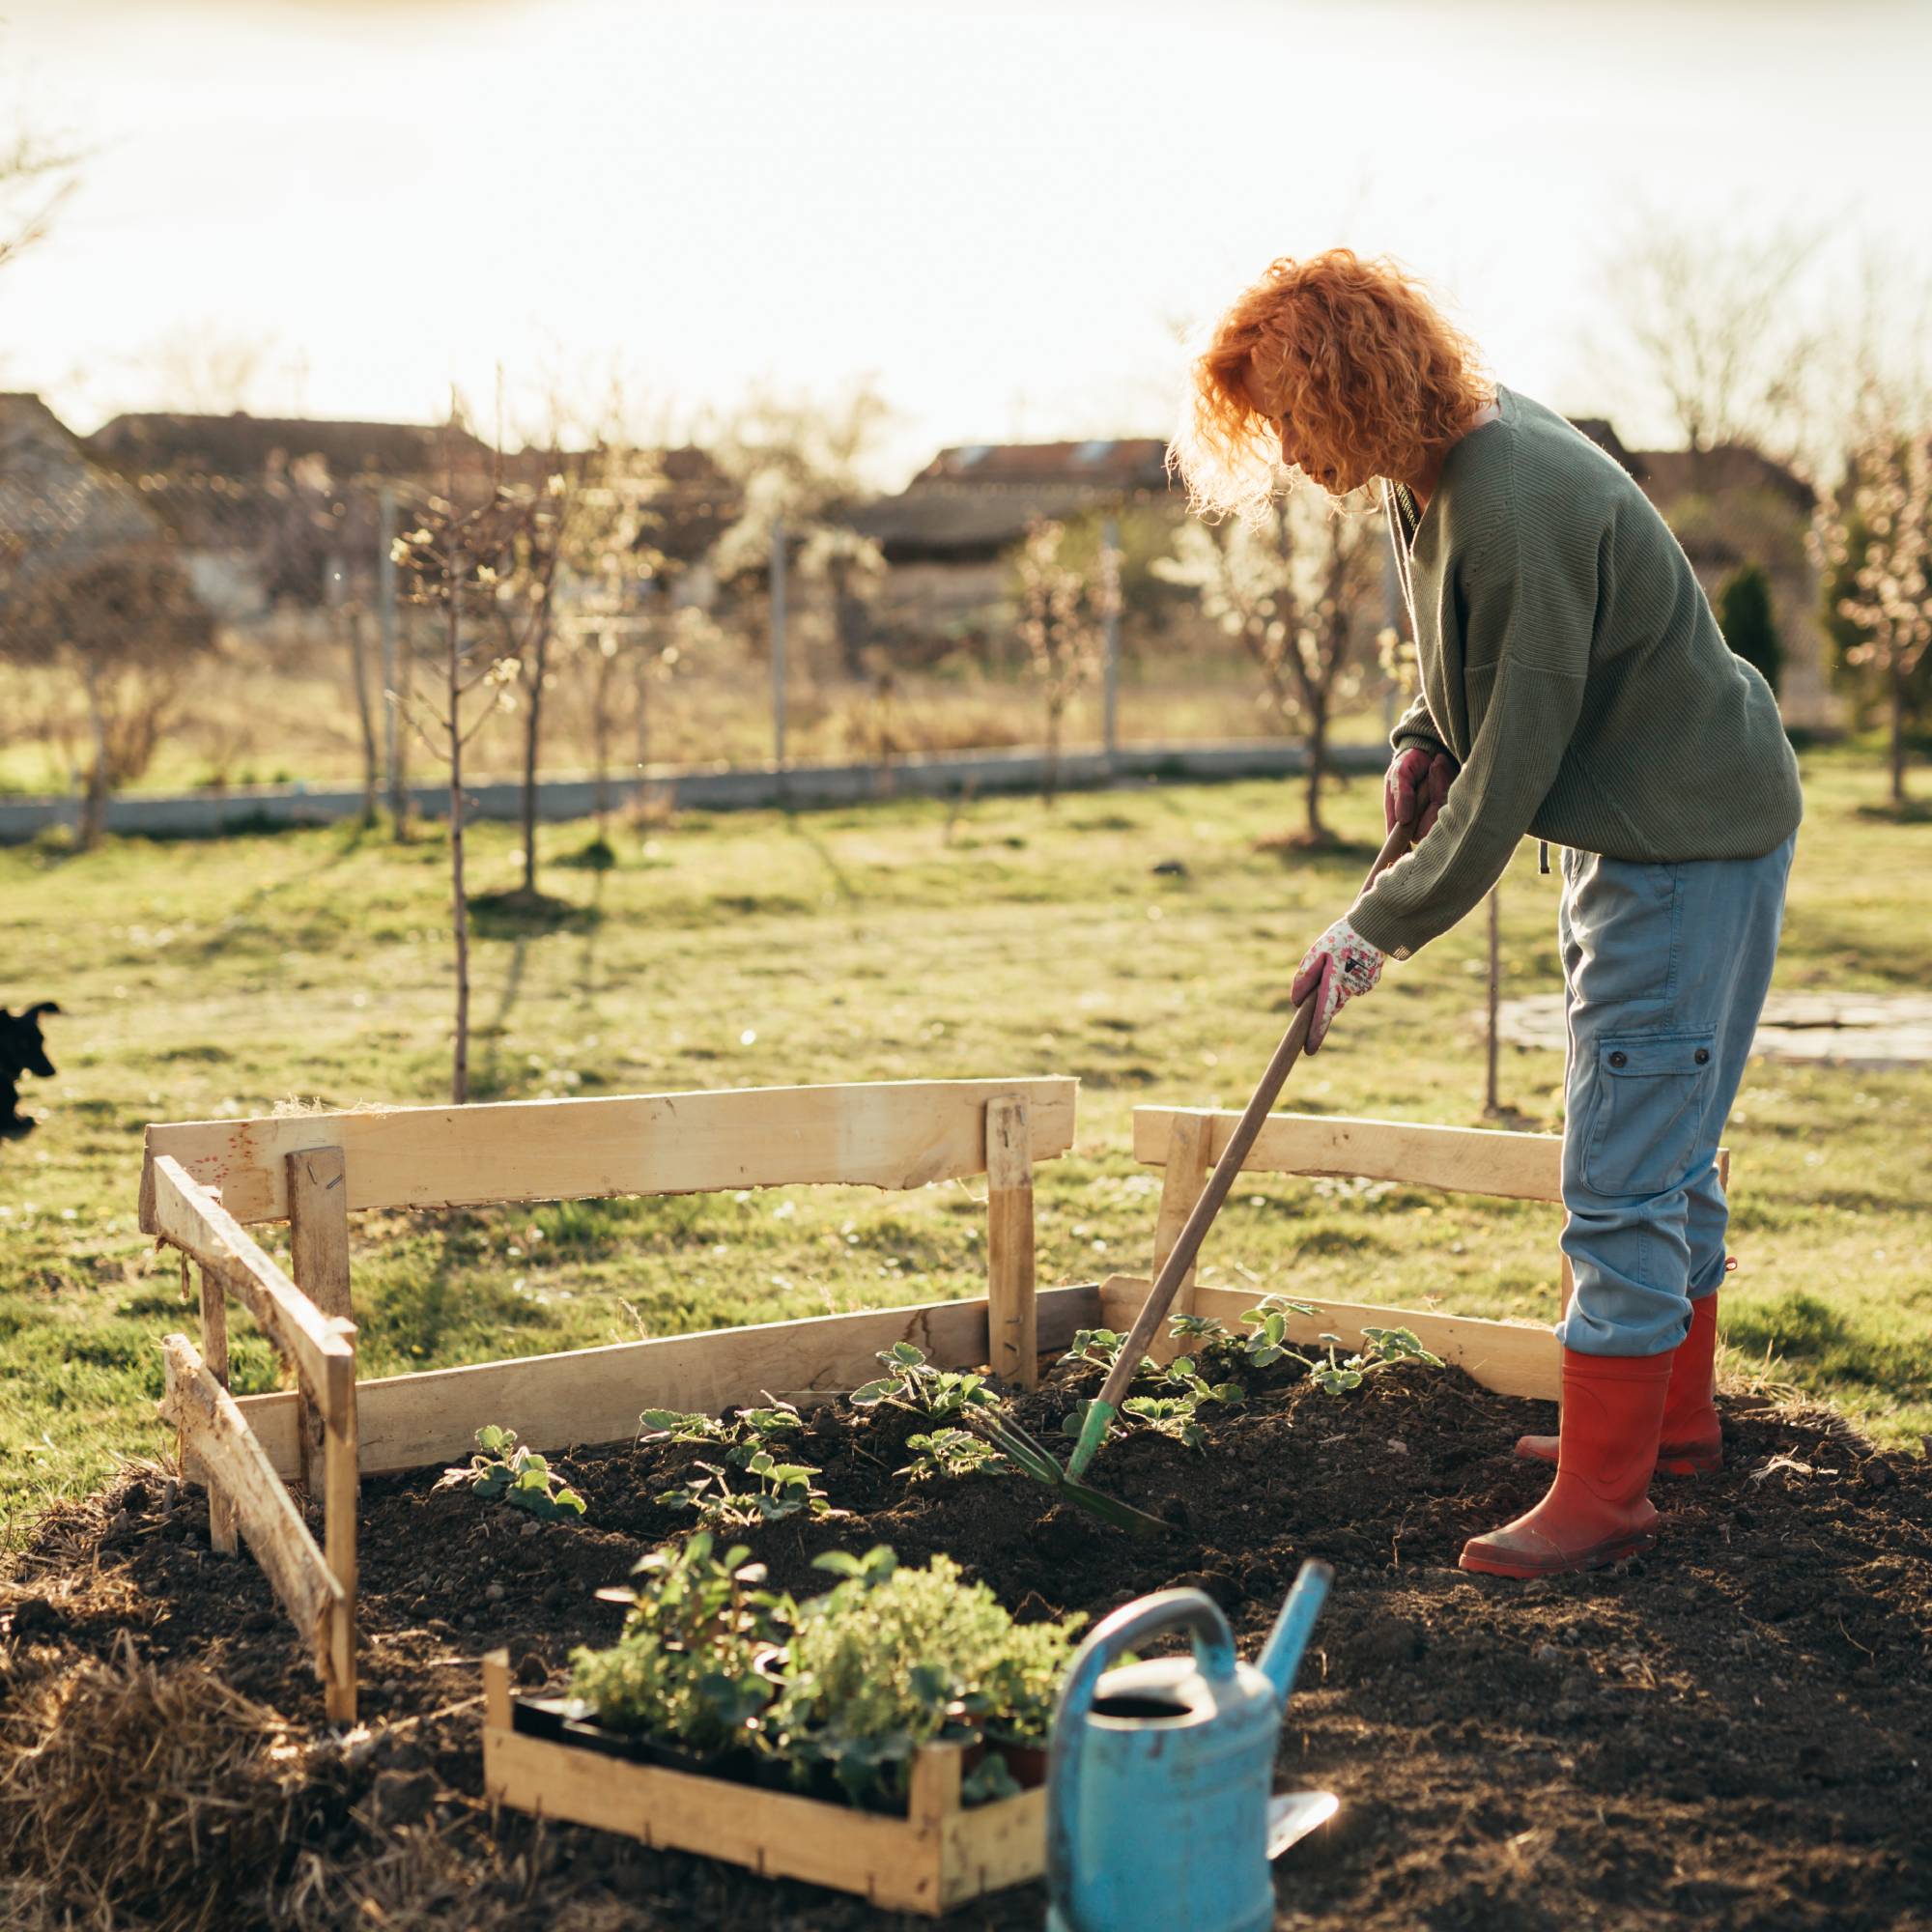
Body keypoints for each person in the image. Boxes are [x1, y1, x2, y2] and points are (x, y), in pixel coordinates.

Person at [1169, 249, 1803, 1579]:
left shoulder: (1511, 492)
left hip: (1683, 843)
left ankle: (1605, 1495)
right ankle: (1662, 1435)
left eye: (1292, 419)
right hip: (1642, 826)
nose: (1285, 452)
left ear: (1353, 385)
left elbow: (1512, 762)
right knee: (1656, 1140)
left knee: (1622, 1170)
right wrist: (1418, 733)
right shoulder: (1437, 468)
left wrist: (1373, 931)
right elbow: (1460, 665)